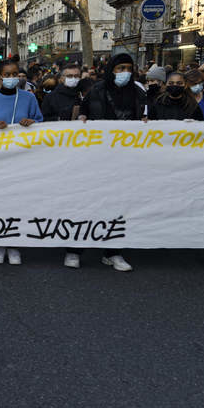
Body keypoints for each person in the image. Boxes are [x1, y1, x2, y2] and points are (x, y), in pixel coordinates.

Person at [76, 52, 144, 272]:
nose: (124, 73)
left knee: (119, 204)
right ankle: (75, 248)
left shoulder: (138, 92)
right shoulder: (97, 91)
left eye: (128, 68)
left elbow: (144, 115)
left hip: (126, 159)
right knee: (88, 202)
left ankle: (113, 252)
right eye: (120, 68)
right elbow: (83, 114)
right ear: (111, 70)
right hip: (97, 157)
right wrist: (81, 120)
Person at [0, 59, 42, 266]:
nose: (11, 78)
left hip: (22, 159)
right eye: (7, 74)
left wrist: (31, 123)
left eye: (15, 74)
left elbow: (40, 122)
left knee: (17, 201)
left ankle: (14, 244)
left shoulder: (29, 98)